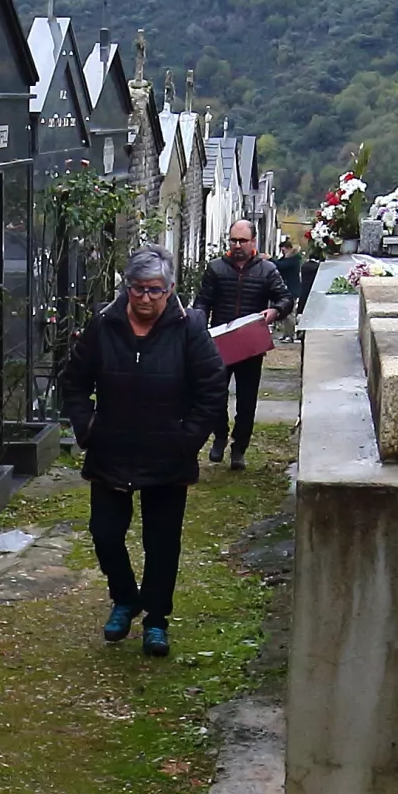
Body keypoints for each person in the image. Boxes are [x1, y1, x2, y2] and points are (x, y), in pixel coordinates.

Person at [56, 245, 223, 658]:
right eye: (137, 289)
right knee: (105, 534)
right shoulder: (104, 324)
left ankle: (156, 620)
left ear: (170, 290)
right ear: (126, 288)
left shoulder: (189, 328)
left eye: (154, 290)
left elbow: (212, 389)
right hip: (111, 450)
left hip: (168, 454)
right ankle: (125, 598)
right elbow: (74, 381)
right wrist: (88, 426)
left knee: (162, 543)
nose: (145, 298)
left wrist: (187, 439)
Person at [191, 217, 289, 468]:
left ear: (253, 241)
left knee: (247, 401)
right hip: (219, 342)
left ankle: (239, 449)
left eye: (242, 241)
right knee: (214, 395)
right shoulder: (216, 269)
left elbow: (285, 298)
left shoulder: (267, 270)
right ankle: (220, 436)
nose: (237, 245)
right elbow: (203, 300)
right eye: (233, 240)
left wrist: (274, 312)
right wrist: (200, 322)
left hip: (250, 343)